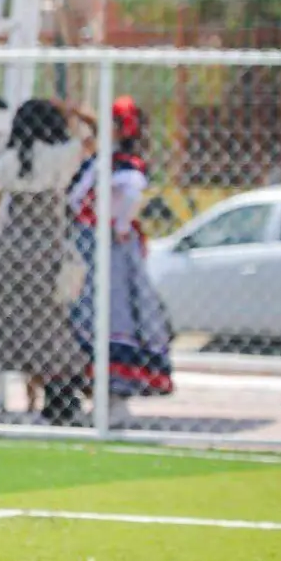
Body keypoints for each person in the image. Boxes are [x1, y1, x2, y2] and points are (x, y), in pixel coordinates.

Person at [0, 99, 87, 421]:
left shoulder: (8, 160)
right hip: (46, 250)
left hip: (10, 250)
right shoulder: (63, 156)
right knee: (42, 326)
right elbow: (94, 140)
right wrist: (78, 113)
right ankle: (36, 401)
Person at [64, 97, 174, 415]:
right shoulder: (102, 161)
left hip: (110, 249)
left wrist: (120, 223)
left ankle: (116, 398)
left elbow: (130, 194)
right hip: (90, 246)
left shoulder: (124, 165)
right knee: (87, 315)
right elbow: (75, 199)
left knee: (116, 314)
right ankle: (98, 396)